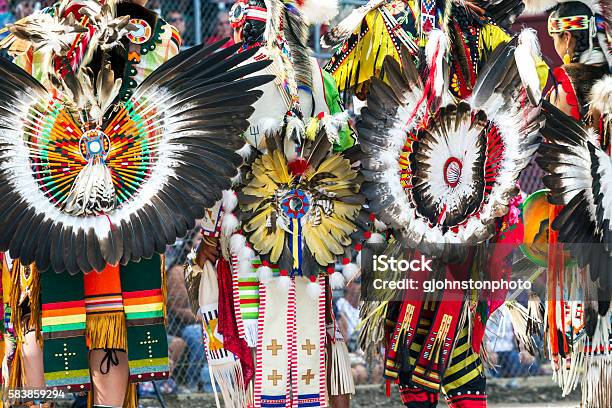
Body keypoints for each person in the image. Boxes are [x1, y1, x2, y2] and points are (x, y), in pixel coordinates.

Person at [0, 0, 269, 406]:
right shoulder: (35, 36)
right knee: (42, 329)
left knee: (103, 329)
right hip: (52, 210)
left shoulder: (157, 40)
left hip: (124, 213)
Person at [530, 1, 611, 406]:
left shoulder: (565, 84)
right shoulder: (608, 78)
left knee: (591, 326)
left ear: (568, 37)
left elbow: (552, 151)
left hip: (580, 221)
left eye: (558, 36)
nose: (557, 45)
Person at [167, 262, 213, 392]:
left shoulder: (216, 269)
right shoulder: (178, 272)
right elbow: (179, 308)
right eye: (198, 239)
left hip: (210, 320)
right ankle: (191, 384)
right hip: (182, 325)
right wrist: (206, 318)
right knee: (197, 335)